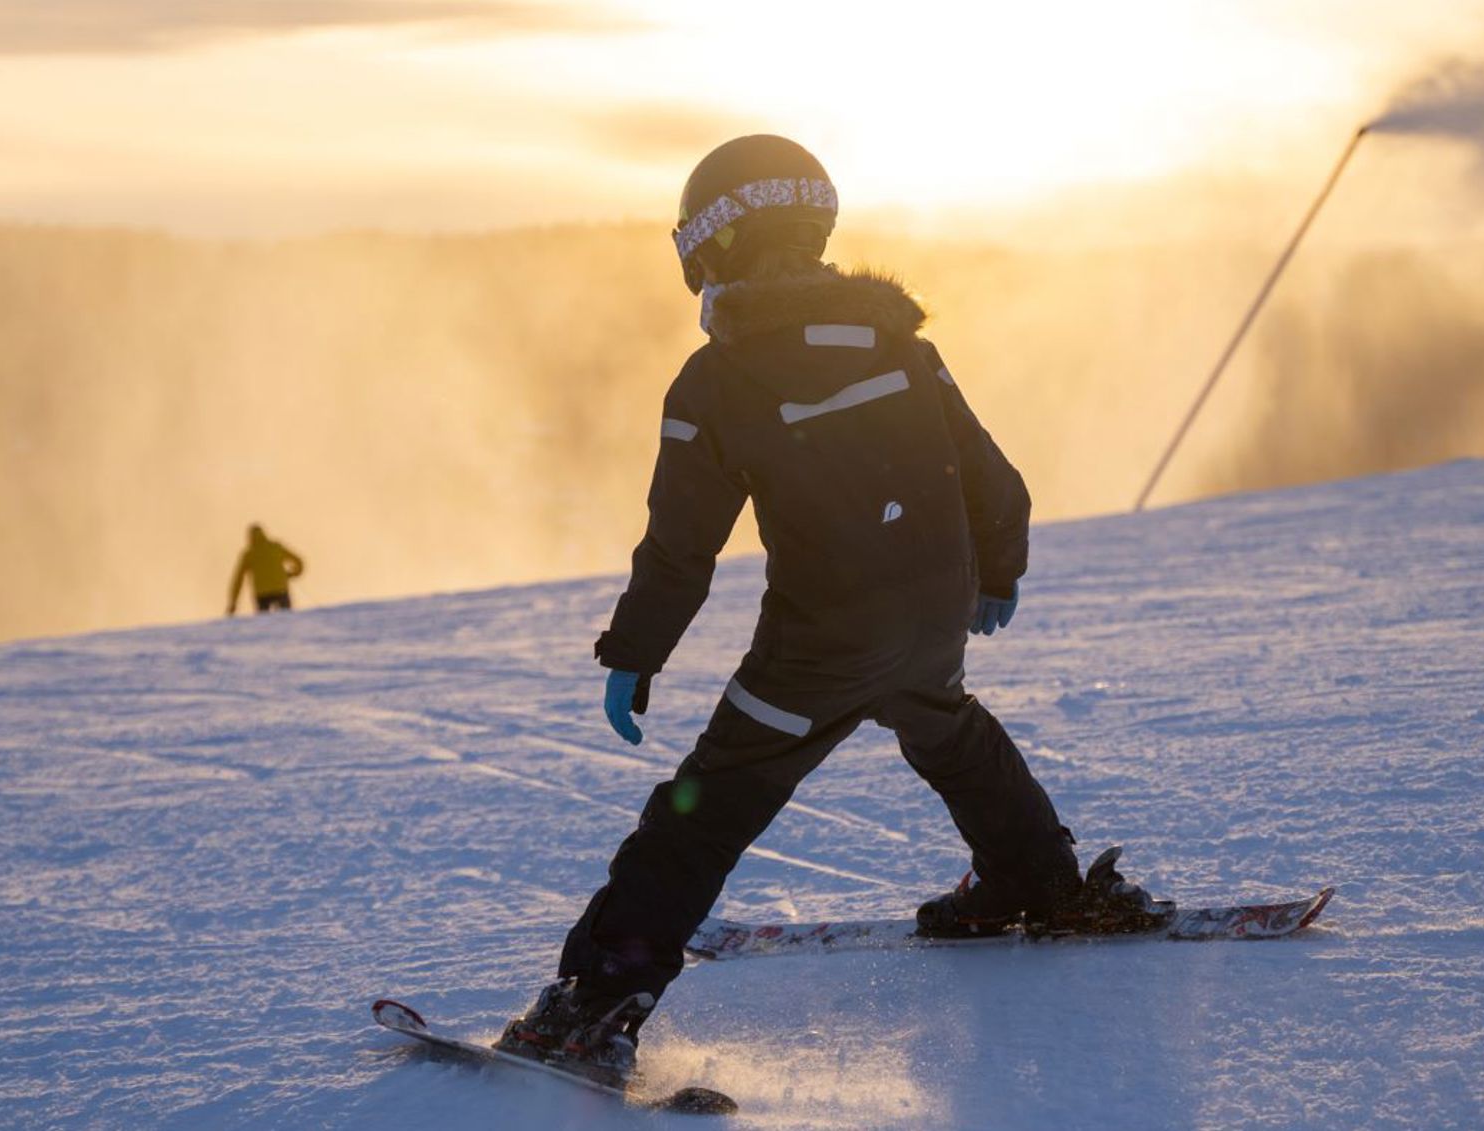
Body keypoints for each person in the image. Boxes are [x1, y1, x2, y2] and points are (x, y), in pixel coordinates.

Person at [493, 136, 1163, 1084]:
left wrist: (635, 654)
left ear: (713, 248)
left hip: (820, 643)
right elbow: (996, 483)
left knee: (703, 810)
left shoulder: (716, 382)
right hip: (929, 617)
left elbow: (683, 547)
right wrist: (996, 576)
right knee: (947, 727)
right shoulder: (904, 348)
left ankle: (596, 1001)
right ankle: (1040, 882)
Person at [225, 523, 305, 615]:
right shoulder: (275, 547)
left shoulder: (249, 554)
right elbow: (299, 561)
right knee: (286, 618)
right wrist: (292, 574)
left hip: (262, 594)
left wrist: (233, 602)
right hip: (280, 590)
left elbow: (238, 579)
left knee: (265, 623)